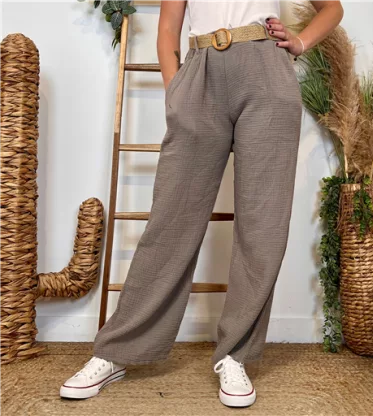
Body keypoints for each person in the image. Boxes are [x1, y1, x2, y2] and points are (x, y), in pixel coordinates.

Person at [60, 0, 343, 407]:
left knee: (262, 226)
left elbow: (332, 8)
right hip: (200, 71)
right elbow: (167, 29)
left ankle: (235, 355)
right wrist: (176, 91)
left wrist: (299, 42)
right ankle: (117, 350)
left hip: (267, 74)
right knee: (170, 223)